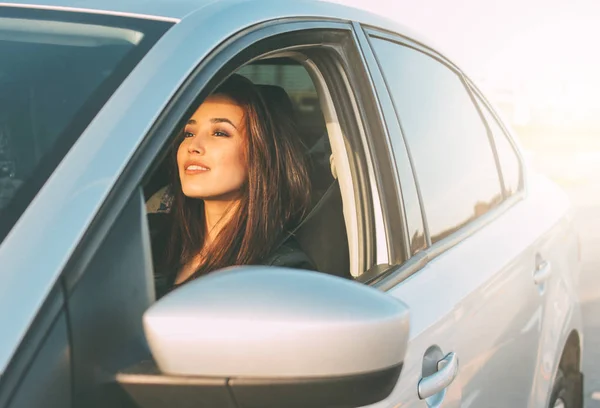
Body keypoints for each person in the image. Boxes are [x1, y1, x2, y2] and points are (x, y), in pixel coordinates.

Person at [149, 74, 314, 298]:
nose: (193, 146)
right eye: (188, 133)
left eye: (219, 133)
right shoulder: (150, 240)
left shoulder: (280, 274)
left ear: (259, 154)